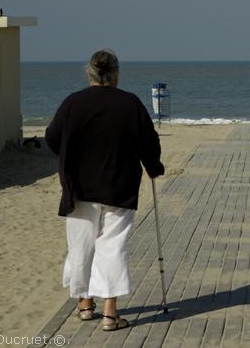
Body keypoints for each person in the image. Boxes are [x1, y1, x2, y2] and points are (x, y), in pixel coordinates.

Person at [46, 49, 164, 331]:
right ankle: (110, 314)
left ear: (89, 74)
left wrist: (69, 156)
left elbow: (52, 137)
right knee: (112, 247)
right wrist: (153, 166)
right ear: (116, 74)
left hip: (79, 188)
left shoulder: (74, 102)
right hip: (118, 187)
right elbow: (149, 142)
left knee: (81, 246)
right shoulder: (131, 104)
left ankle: (85, 303)